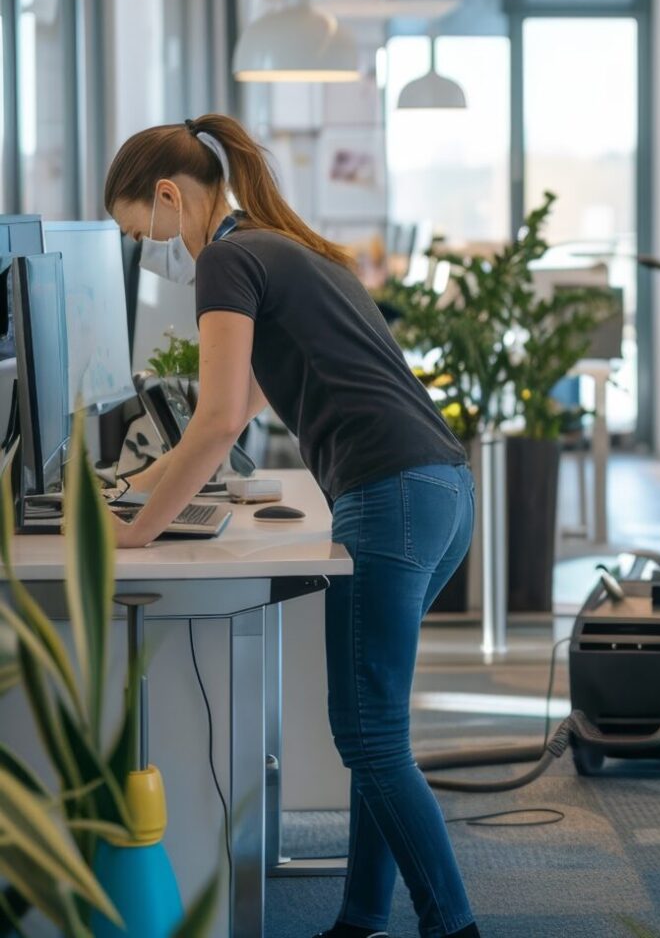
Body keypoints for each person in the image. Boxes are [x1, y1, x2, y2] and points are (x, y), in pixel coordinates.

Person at [104, 115, 480, 938]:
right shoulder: (283, 243)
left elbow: (217, 423)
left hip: (391, 495)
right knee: (377, 736)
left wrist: (132, 534)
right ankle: (358, 920)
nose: (152, 252)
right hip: (443, 490)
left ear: (170, 197)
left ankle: (454, 928)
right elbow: (270, 387)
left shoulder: (229, 259)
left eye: (143, 233)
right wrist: (153, 480)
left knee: (372, 740)